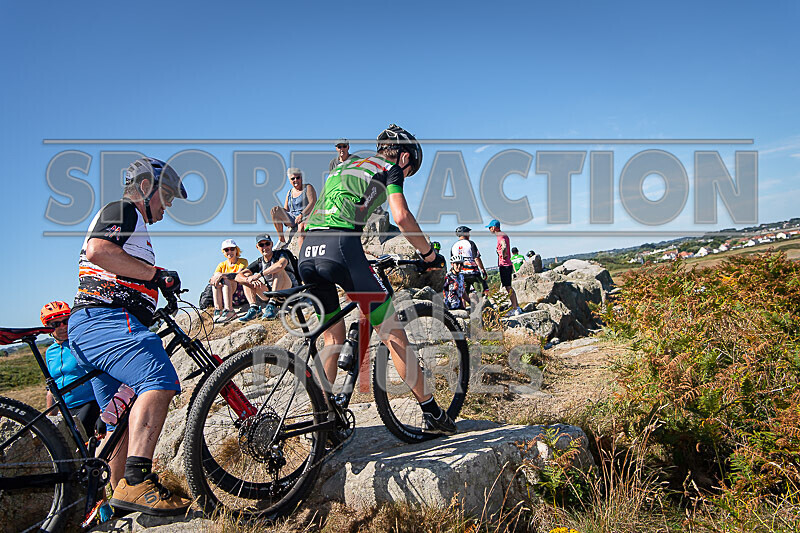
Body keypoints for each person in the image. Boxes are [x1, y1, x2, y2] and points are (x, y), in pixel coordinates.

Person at [301, 124, 455, 436]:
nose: (407, 176)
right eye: (410, 171)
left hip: (308, 251)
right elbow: (401, 217)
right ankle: (433, 413)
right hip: (339, 248)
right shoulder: (390, 170)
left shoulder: (345, 167)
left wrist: (359, 258)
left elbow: (351, 216)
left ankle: (323, 424)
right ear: (405, 157)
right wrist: (428, 255)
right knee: (394, 335)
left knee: (333, 337)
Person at [68, 157, 191, 515]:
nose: (167, 206)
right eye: (165, 196)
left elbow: (121, 265)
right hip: (105, 319)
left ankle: (115, 499)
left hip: (95, 325)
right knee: (159, 379)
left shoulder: (134, 223)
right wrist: (155, 275)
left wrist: (153, 289)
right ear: (145, 188)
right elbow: (98, 250)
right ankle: (138, 481)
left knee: (118, 419)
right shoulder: (124, 209)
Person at [41, 301, 103, 437]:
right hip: (66, 408)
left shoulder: (81, 342)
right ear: (48, 328)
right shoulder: (50, 352)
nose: (62, 327)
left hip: (89, 403)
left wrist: (103, 411)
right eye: (56, 324)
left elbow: (100, 374)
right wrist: (50, 420)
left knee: (80, 439)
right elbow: (52, 388)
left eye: (65, 321)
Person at [236, 234, 299, 321]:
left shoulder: (281, 253)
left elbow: (281, 265)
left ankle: (272, 304)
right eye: (261, 245)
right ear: (257, 247)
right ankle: (254, 309)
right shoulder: (259, 262)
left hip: (289, 290)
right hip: (268, 294)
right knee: (246, 276)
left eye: (267, 244)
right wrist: (249, 280)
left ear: (272, 244)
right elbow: (238, 276)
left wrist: (259, 275)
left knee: (277, 269)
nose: (265, 247)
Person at [271, 168, 317, 249]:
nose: (296, 180)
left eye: (298, 177)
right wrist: (278, 212)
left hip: (305, 216)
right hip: (293, 218)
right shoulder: (289, 192)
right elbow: (286, 209)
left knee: (301, 228)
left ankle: (302, 252)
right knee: (275, 211)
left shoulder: (308, 187)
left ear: (301, 178)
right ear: (289, 180)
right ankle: (281, 240)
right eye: (293, 178)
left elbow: (313, 203)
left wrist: (301, 215)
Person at [487, 219, 522, 315]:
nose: (489, 229)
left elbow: (504, 245)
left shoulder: (500, 236)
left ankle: (515, 308)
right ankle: (516, 306)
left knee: (508, 287)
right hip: (506, 264)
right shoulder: (503, 235)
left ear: (494, 227)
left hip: (505, 265)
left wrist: (503, 253)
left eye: (490, 227)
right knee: (507, 286)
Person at [210, 239, 248, 323]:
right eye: (226, 250)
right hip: (225, 293)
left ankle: (229, 310)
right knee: (216, 282)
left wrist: (222, 275)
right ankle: (218, 310)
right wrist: (217, 278)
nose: (229, 251)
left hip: (239, 292)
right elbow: (213, 278)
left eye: (232, 249)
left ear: (236, 250)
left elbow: (237, 274)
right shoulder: (221, 265)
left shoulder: (242, 261)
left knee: (227, 279)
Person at [450, 226, 488, 297]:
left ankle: (466, 307)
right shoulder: (470, 243)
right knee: (481, 292)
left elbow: (452, 262)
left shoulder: (454, 246)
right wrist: (482, 269)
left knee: (464, 295)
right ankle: (483, 306)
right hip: (473, 273)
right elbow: (476, 258)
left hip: (461, 274)